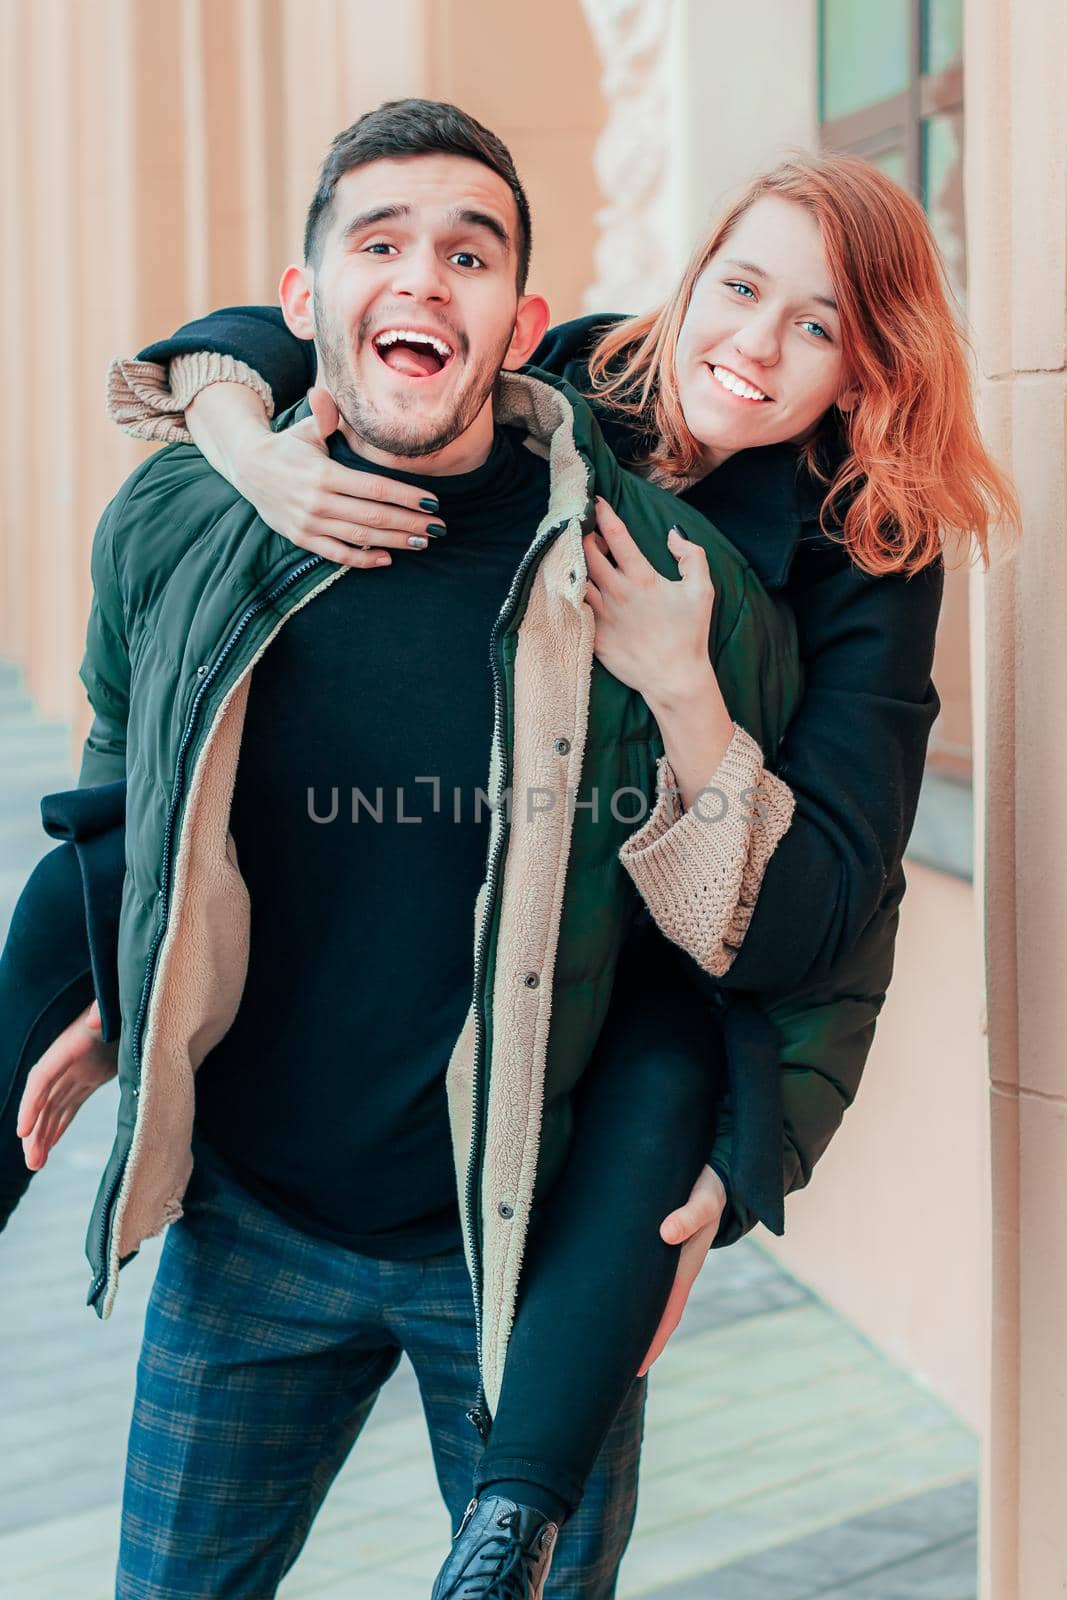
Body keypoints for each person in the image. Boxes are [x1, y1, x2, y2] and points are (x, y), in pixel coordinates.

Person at [7, 106, 1015, 1597]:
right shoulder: (576, 375)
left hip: (594, 1080)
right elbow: (309, 323)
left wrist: (682, 684)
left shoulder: (859, 558)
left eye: (821, 326)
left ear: (864, 372)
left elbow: (814, 920)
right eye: (739, 287)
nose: (756, 342)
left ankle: (514, 1510)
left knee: (669, 1058)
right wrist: (252, 453)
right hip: (268, 1203)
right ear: (688, 282)